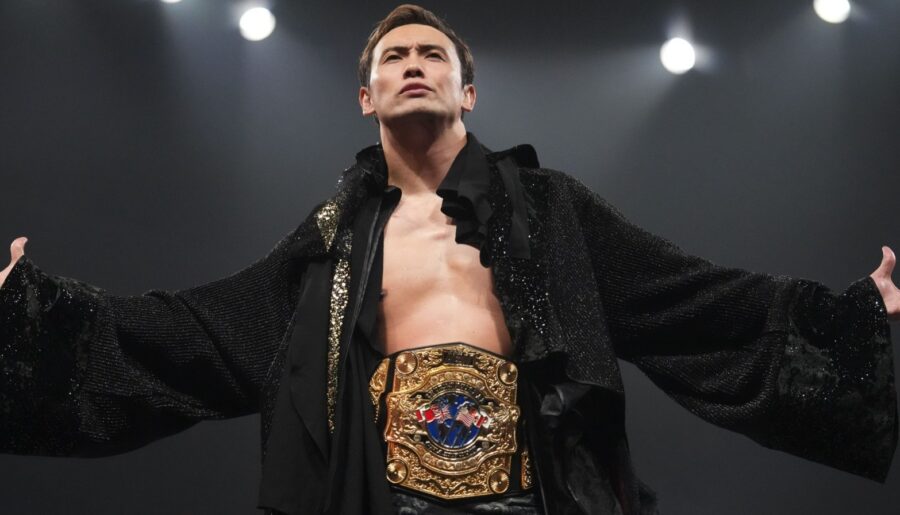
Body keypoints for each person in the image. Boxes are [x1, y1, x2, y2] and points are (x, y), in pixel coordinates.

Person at [1, 4, 898, 515]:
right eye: (394, 56)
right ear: (366, 96)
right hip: (384, 496)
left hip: (530, 493)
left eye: (433, 54)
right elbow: (201, 330)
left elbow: (689, 297)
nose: (414, 64)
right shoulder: (330, 239)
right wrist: (34, 312)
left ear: (468, 89)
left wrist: (849, 317)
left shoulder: (549, 208)